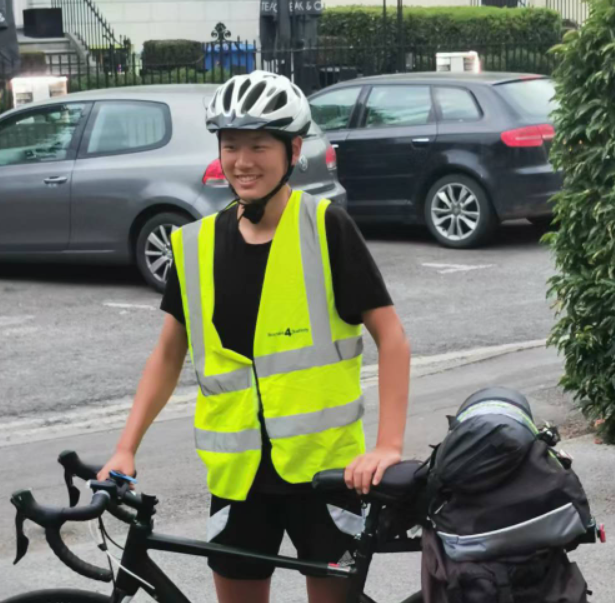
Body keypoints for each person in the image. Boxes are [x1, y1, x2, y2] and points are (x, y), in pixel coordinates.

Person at [99, 70, 411, 603]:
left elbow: (392, 338)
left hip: (326, 475)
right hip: (237, 477)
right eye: (230, 145)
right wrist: (125, 449)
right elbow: (168, 354)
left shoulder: (325, 227)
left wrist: (387, 445)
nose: (242, 161)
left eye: (258, 145)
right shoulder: (194, 245)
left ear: (292, 149)